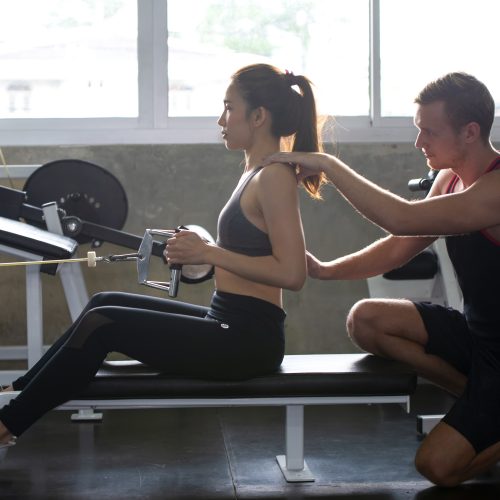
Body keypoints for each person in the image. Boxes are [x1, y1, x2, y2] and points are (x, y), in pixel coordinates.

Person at [0, 63, 326, 455]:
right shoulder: (255, 172)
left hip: (247, 341)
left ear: (259, 117)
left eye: (229, 108)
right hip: (226, 321)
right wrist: (199, 251)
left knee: (104, 324)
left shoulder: (273, 176)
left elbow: (291, 274)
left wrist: (208, 253)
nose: (221, 119)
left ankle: (7, 422)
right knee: (102, 304)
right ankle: (12, 394)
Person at [263, 72, 500, 487]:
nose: (419, 142)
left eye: (429, 131)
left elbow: (400, 217)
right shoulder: (447, 180)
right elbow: (399, 243)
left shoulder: (496, 188)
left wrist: (328, 164)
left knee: (436, 467)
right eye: (418, 130)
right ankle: (481, 400)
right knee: (366, 320)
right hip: (478, 337)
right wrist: (326, 270)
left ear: (470, 132)